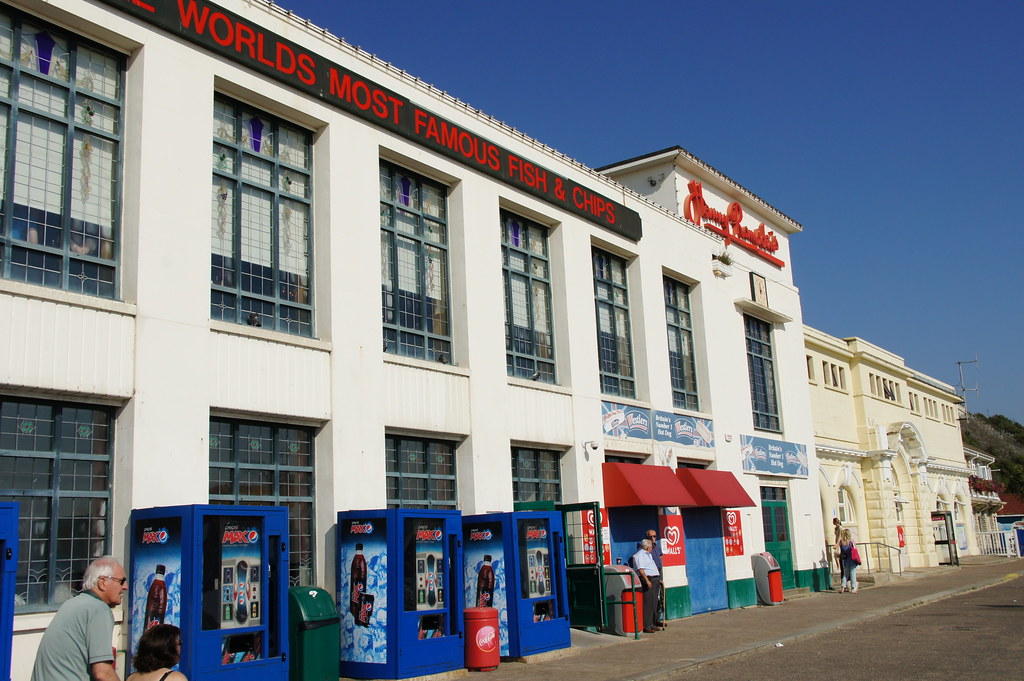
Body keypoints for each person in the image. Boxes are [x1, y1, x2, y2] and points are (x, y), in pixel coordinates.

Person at [31, 556, 128, 681]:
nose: (125, 586)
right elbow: (103, 673)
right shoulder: (98, 610)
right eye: (121, 581)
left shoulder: (72, 604)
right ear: (102, 583)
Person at [631, 538, 661, 633]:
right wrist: (647, 581)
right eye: (651, 546)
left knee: (654, 603)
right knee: (648, 603)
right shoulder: (640, 555)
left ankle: (652, 623)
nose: (652, 547)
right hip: (648, 579)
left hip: (655, 579)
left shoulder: (648, 555)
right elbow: (641, 570)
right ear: (648, 547)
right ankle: (647, 625)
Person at [643, 529, 665, 627]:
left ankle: (657, 619)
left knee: (660, 597)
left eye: (654, 536)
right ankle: (651, 622)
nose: (653, 538)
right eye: (650, 537)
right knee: (652, 599)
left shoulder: (657, 547)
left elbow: (660, 557)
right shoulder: (645, 549)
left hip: (658, 572)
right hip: (651, 575)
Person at [837, 528, 859, 593]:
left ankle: (843, 587)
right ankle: (853, 588)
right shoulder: (851, 541)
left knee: (845, 574)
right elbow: (855, 549)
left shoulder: (841, 541)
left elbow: (837, 547)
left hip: (845, 559)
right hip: (852, 559)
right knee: (853, 574)